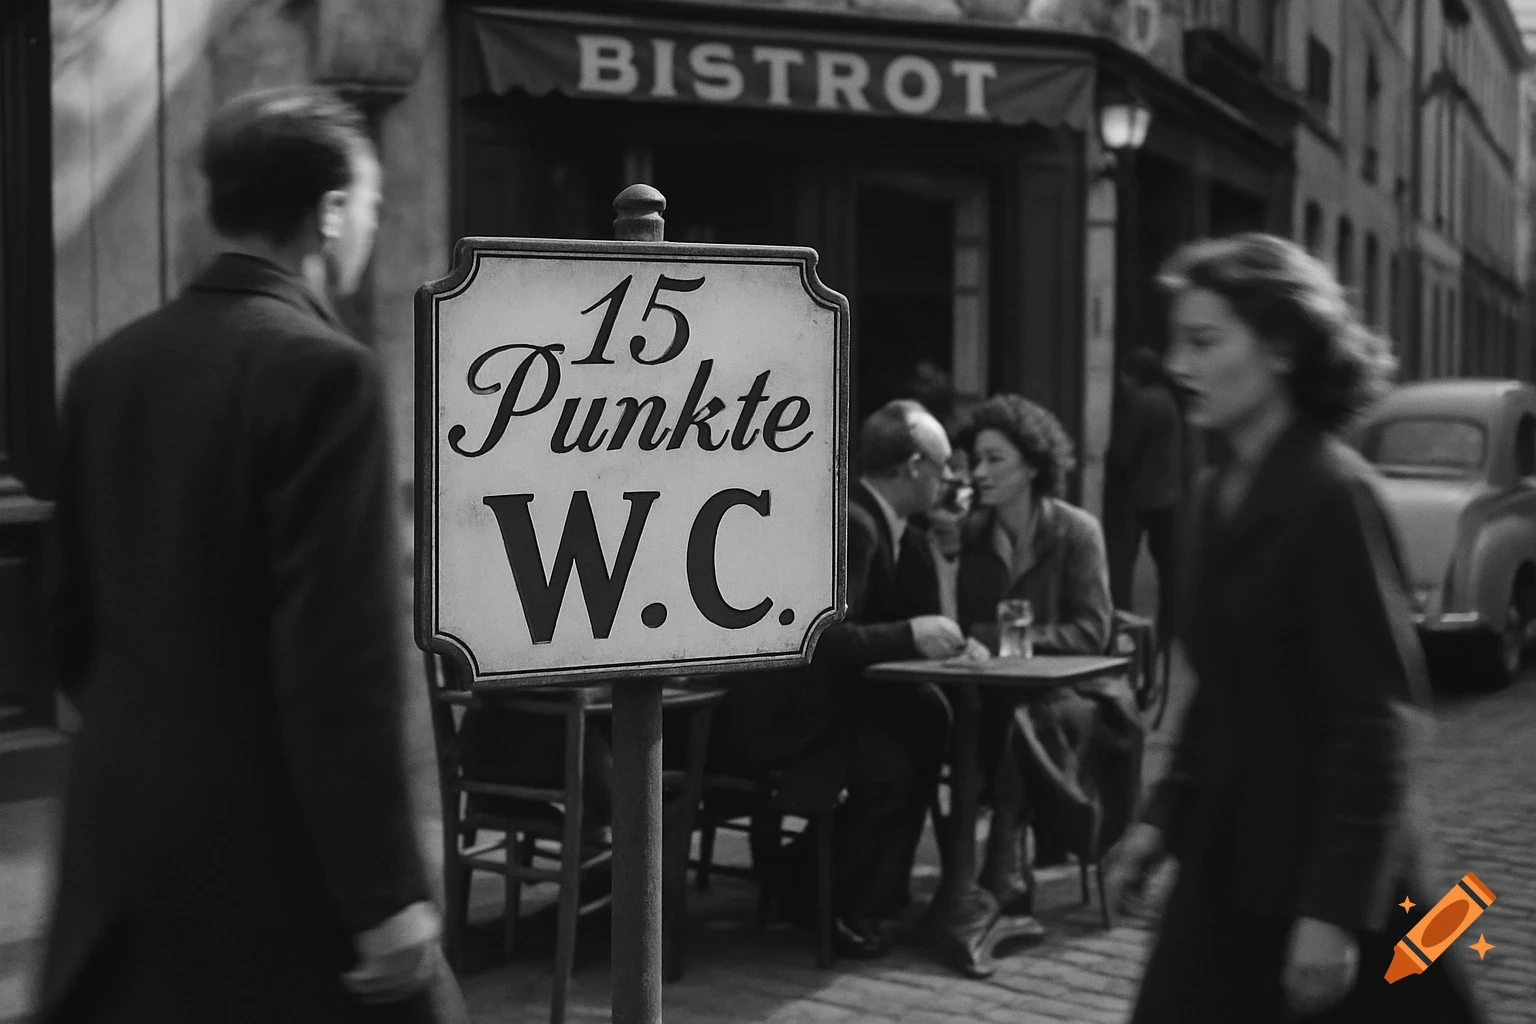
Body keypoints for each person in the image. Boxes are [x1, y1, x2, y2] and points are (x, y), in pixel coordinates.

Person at [39, 87, 465, 1023]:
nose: (370, 227)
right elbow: (338, 662)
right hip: (268, 862)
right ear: (330, 214)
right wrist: (384, 897)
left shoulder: (107, 371)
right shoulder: (325, 374)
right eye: (372, 204)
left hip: (118, 852)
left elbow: (68, 621)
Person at [1106, 233, 1486, 1023]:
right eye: (1179, 341)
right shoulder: (1211, 498)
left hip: (1322, 875)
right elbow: (1220, 694)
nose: (1180, 366)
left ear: (1280, 346)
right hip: (1227, 862)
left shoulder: (1331, 494)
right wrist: (1161, 821)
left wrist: (1335, 909)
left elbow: (1379, 722)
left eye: (1205, 342)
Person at [709, 399, 980, 958]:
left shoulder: (887, 522)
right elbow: (825, 637)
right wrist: (910, 634)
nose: (950, 479)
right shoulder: (855, 524)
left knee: (926, 716)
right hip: (783, 711)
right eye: (943, 466)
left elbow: (904, 613)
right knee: (898, 753)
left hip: (819, 700)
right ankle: (829, 901)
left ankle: (858, 892)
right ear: (911, 467)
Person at [952, 395, 1140, 932]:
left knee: (1022, 722)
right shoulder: (969, 536)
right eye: (975, 460)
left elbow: (1091, 632)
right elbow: (963, 628)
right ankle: (987, 873)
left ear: (1033, 466)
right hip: (998, 695)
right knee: (968, 721)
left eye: (995, 460)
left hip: (1079, 696)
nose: (980, 473)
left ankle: (1002, 866)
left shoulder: (1077, 531)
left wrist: (1005, 639)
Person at [1104, 347, 1185, 639]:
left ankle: (1121, 620)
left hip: (1138, 494)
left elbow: (1123, 451)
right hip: (1167, 492)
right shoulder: (1167, 399)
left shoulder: (1139, 403)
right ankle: (1171, 623)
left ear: (1133, 374)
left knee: (1122, 560)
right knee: (1168, 564)